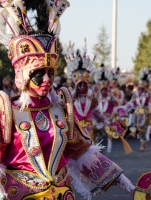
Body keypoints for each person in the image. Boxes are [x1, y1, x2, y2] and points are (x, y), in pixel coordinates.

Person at [0, 1, 135, 199]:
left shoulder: (62, 108)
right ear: (23, 74)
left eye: (50, 73)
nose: (46, 80)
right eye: (38, 74)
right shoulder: (7, 111)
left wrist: (118, 178)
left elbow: (82, 152)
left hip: (63, 193)